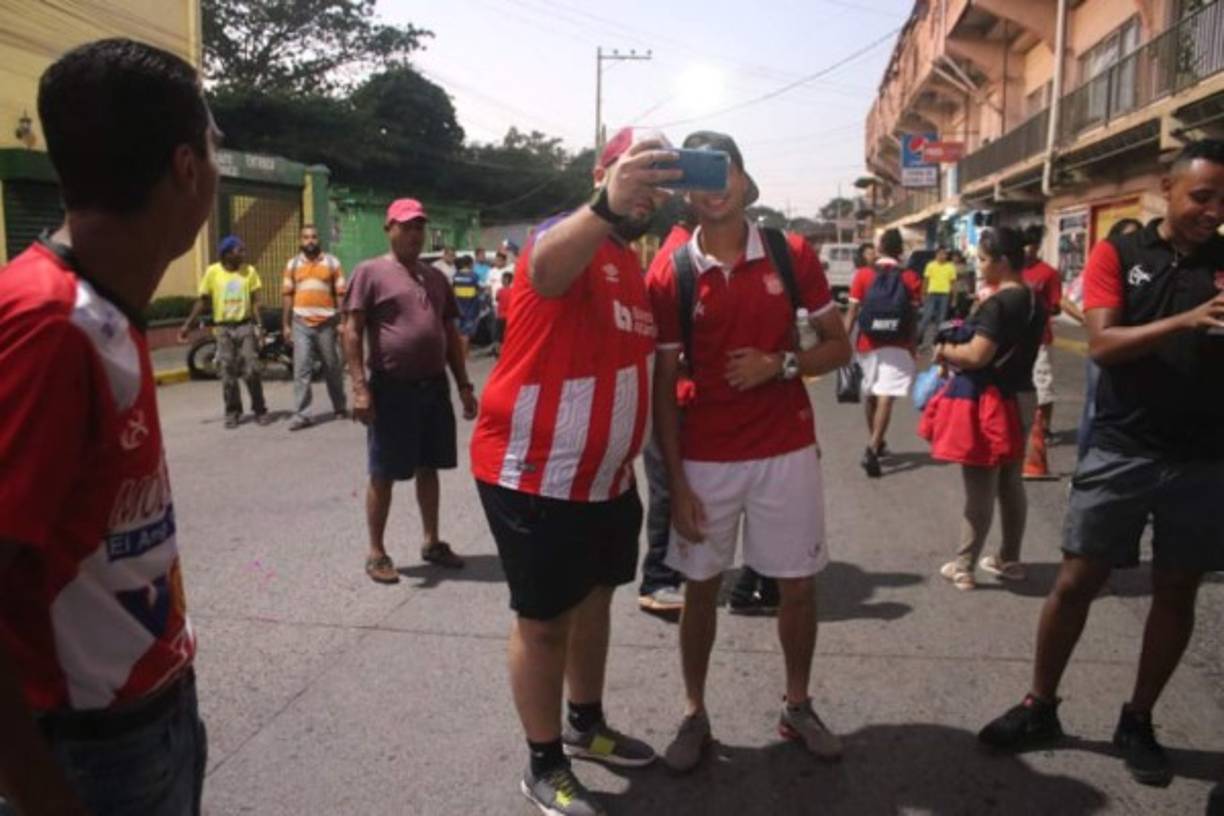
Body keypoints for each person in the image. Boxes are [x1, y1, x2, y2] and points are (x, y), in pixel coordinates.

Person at [0, 38, 216, 816]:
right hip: (87, 756)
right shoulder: (48, 323)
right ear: (187, 169)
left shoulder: (103, 309)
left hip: (150, 719)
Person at [978, 139, 1224, 788]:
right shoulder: (1122, 253)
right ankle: (1041, 706)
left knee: (1176, 591)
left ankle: (1138, 719)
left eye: (1223, 200)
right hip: (1121, 449)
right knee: (1076, 583)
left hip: (1203, 458)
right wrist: (1187, 321)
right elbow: (1105, 344)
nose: (1213, 210)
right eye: (1201, 196)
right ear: (1167, 189)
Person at [470, 127, 679, 816]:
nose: (647, 183)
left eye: (658, 174)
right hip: (534, 473)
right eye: (634, 168)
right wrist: (607, 206)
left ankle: (587, 725)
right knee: (546, 622)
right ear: (603, 172)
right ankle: (543, 761)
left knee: (595, 605)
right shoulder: (568, 234)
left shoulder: (633, 264)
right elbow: (546, 272)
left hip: (607, 483)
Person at [648, 131, 852, 773]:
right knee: (699, 591)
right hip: (706, 459)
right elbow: (661, 387)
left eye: (721, 170)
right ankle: (694, 713)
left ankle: (797, 705)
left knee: (797, 587)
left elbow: (838, 346)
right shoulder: (672, 270)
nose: (711, 186)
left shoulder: (790, 253)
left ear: (742, 177)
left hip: (785, 450)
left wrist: (781, 364)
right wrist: (675, 484)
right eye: (697, 175)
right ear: (685, 188)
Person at [343, 199, 478, 585]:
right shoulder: (369, 272)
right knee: (383, 471)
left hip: (432, 387)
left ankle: (432, 541)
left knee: (429, 466)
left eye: (420, 226)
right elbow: (351, 331)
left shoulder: (436, 278)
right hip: (391, 388)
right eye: (406, 226)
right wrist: (360, 389)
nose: (414, 234)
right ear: (390, 228)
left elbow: (449, 335)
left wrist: (464, 385)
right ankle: (376, 551)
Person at [927, 227, 1045, 590]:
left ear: (1003, 262)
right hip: (1023, 395)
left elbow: (977, 356)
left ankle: (964, 565)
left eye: (982, 260)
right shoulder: (1035, 300)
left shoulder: (997, 304)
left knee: (979, 484)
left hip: (988, 402)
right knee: (1011, 481)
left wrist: (945, 351)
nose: (978, 266)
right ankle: (1010, 558)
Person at [638, 222, 693, 616]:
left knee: (686, 487)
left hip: (690, 397)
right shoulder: (676, 257)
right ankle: (658, 578)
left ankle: (677, 568)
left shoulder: (695, 249)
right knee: (668, 487)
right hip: (669, 397)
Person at [1062, 218, 1143, 461]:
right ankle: (1085, 465)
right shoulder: (1103, 266)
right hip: (1106, 350)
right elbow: (1066, 300)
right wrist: (1092, 321)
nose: (1134, 244)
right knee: (1094, 409)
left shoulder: (1146, 269)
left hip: (1137, 350)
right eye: (1129, 237)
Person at [844, 230, 922, 478]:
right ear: (900, 250)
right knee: (886, 397)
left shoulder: (863, 275)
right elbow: (913, 318)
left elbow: (852, 313)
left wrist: (842, 341)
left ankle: (874, 443)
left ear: (879, 249)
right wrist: (913, 345)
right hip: (898, 344)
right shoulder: (910, 278)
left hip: (868, 343)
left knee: (871, 396)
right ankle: (874, 445)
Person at [180, 236, 269, 428]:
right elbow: (203, 300)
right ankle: (233, 411)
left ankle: (260, 409)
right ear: (227, 254)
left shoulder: (249, 272)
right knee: (227, 372)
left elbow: (255, 302)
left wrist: (260, 327)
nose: (243, 253)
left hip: (244, 326)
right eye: (239, 250)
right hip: (223, 328)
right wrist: (188, 325)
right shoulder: (213, 272)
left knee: (252, 368)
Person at [281, 223, 347, 431]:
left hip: (327, 322)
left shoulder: (332, 262)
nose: (310, 241)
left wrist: (343, 321)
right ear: (301, 241)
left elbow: (340, 294)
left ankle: (339, 406)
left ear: (319, 240)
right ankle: (302, 415)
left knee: (332, 367)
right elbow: (287, 296)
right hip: (300, 322)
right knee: (301, 369)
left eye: (314, 237)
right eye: (306, 237)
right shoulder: (292, 265)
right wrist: (285, 324)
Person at [1020, 225, 1063, 479]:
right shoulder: (1011, 270)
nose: (1028, 250)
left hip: (1039, 338)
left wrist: (1041, 308)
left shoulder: (1048, 273)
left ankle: (1044, 429)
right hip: (1013, 337)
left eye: (1032, 245)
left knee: (1043, 386)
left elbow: (1056, 306)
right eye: (1024, 245)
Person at [916, 246, 957, 345]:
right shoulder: (930, 265)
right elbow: (926, 280)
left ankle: (938, 340)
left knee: (942, 319)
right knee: (927, 317)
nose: (943, 256)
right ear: (936, 254)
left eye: (945, 254)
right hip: (932, 294)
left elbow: (953, 283)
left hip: (945, 295)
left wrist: (954, 299)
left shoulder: (950, 266)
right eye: (941, 253)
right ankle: (918, 338)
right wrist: (922, 294)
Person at [451, 255, 483, 358]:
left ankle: (461, 353)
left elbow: (453, 290)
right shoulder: (474, 276)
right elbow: (479, 290)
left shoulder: (456, 276)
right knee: (466, 333)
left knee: (459, 332)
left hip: (458, 308)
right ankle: (464, 355)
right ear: (469, 264)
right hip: (470, 308)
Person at [492, 270, 513, 358]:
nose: (503, 280)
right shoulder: (514, 291)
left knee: (498, 336)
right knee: (506, 336)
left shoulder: (499, 291)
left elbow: (497, 299)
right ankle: (506, 353)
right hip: (509, 317)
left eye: (504, 279)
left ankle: (498, 353)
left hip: (501, 316)